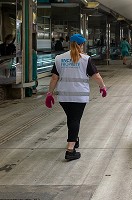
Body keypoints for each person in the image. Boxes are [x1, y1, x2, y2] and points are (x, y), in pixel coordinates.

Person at [45, 33, 107, 161]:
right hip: (79, 97)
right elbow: (96, 76)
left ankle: (75, 139)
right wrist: (102, 87)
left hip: (64, 96)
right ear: (81, 45)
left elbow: (54, 78)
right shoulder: (85, 59)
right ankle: (70, 149)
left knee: (71, 118)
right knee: (75, 120)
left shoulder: (59, 58)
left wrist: (49, 93)